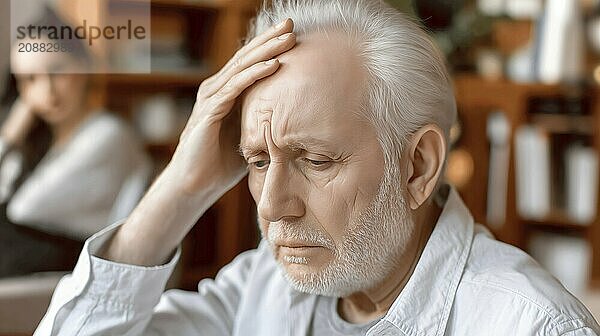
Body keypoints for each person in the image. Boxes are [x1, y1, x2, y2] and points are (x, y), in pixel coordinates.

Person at [36, 0, 599, 335]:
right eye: (258, 160)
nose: (273, 205)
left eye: (317, 159)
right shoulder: (265, 282)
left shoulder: (528, 325)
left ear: (417, 166)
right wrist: (183, 189)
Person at [0, 8, 151, 276]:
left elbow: (24, 207)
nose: (47, 91)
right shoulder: (40, 142)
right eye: (30, 79)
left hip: (87, 267)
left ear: (83, 67)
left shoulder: (108, 134)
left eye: (56, 72)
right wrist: (12, 134)